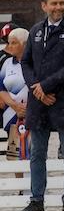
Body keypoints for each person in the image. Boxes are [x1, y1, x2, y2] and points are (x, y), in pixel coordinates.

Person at [18, 0, 64, 211]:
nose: (58, 8)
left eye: (61, 3)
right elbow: (25, 63)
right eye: (54, 3)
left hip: (63, 98)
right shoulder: (35, 31)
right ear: (44, 5)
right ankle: (36, 200)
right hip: (38, 102)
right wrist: (36, 88)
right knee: (37, 152)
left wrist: (45, 86)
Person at [1, 29, 29, 162]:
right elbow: (2, 90)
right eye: (9, 43)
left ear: (24, 44)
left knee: (33, 151)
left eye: (14, 43)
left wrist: (27, 108)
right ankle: (18, 182)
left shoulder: (36, 62)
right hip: (12, 114)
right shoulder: (6, 64)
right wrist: (16, 107)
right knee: (14, 153)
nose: (9, 46)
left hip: (33, 114)